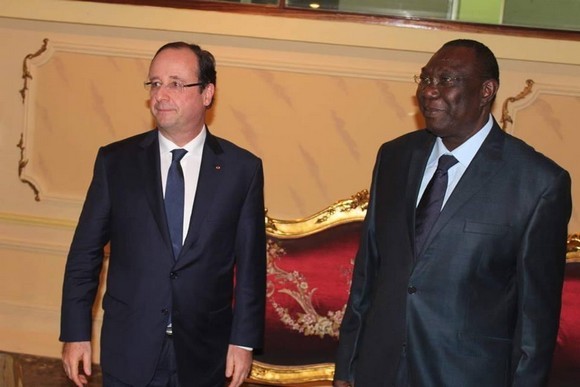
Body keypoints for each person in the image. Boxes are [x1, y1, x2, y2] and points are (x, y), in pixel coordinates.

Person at [334, 39, 572, 387]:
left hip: (465, 374)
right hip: (379, 369)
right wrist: (346, 368)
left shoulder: (537, 183)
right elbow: (368, 272)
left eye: (447, 80)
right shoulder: (395, 157)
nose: (429, 91)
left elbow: (535, 318)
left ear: (486, 90)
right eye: (426, 78)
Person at [60, 41, 266, 387]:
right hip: (130, 348)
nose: (160, 94)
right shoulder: (117, 163)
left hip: (206, 353)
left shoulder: (241, 170)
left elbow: (250, 267)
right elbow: (85, 254)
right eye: (155, 83)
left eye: (175, 83)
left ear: (207, 93)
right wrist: (76, 332)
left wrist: (242, 342)